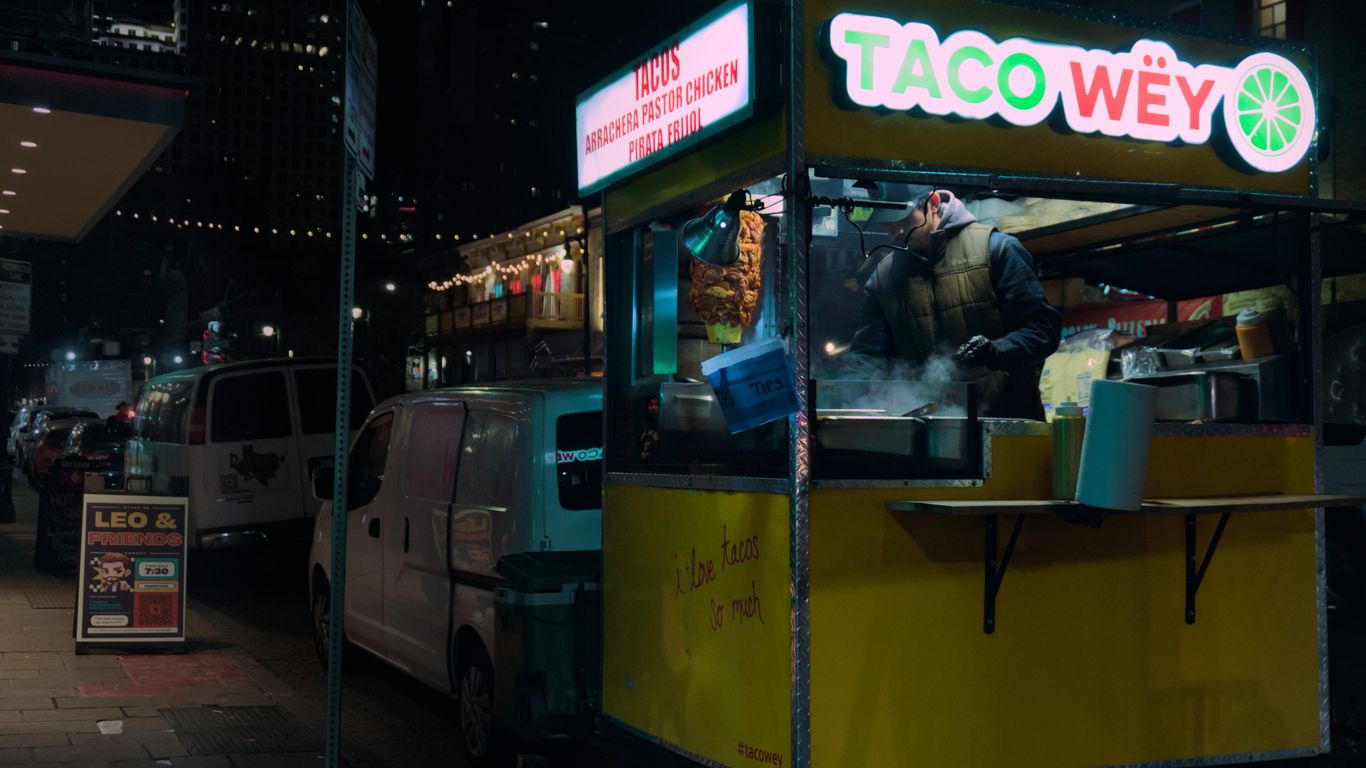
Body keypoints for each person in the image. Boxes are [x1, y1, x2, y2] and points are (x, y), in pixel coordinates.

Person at [849, 189, 1062, 419]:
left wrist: (995, 351)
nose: (896, 231)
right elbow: (866, 361)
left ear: (933, 203)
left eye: (903, 219)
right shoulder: (882, 280)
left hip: (1007, 427)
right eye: (886, 224)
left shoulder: (995, 249)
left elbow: (1044, 330)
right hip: (929, 434)